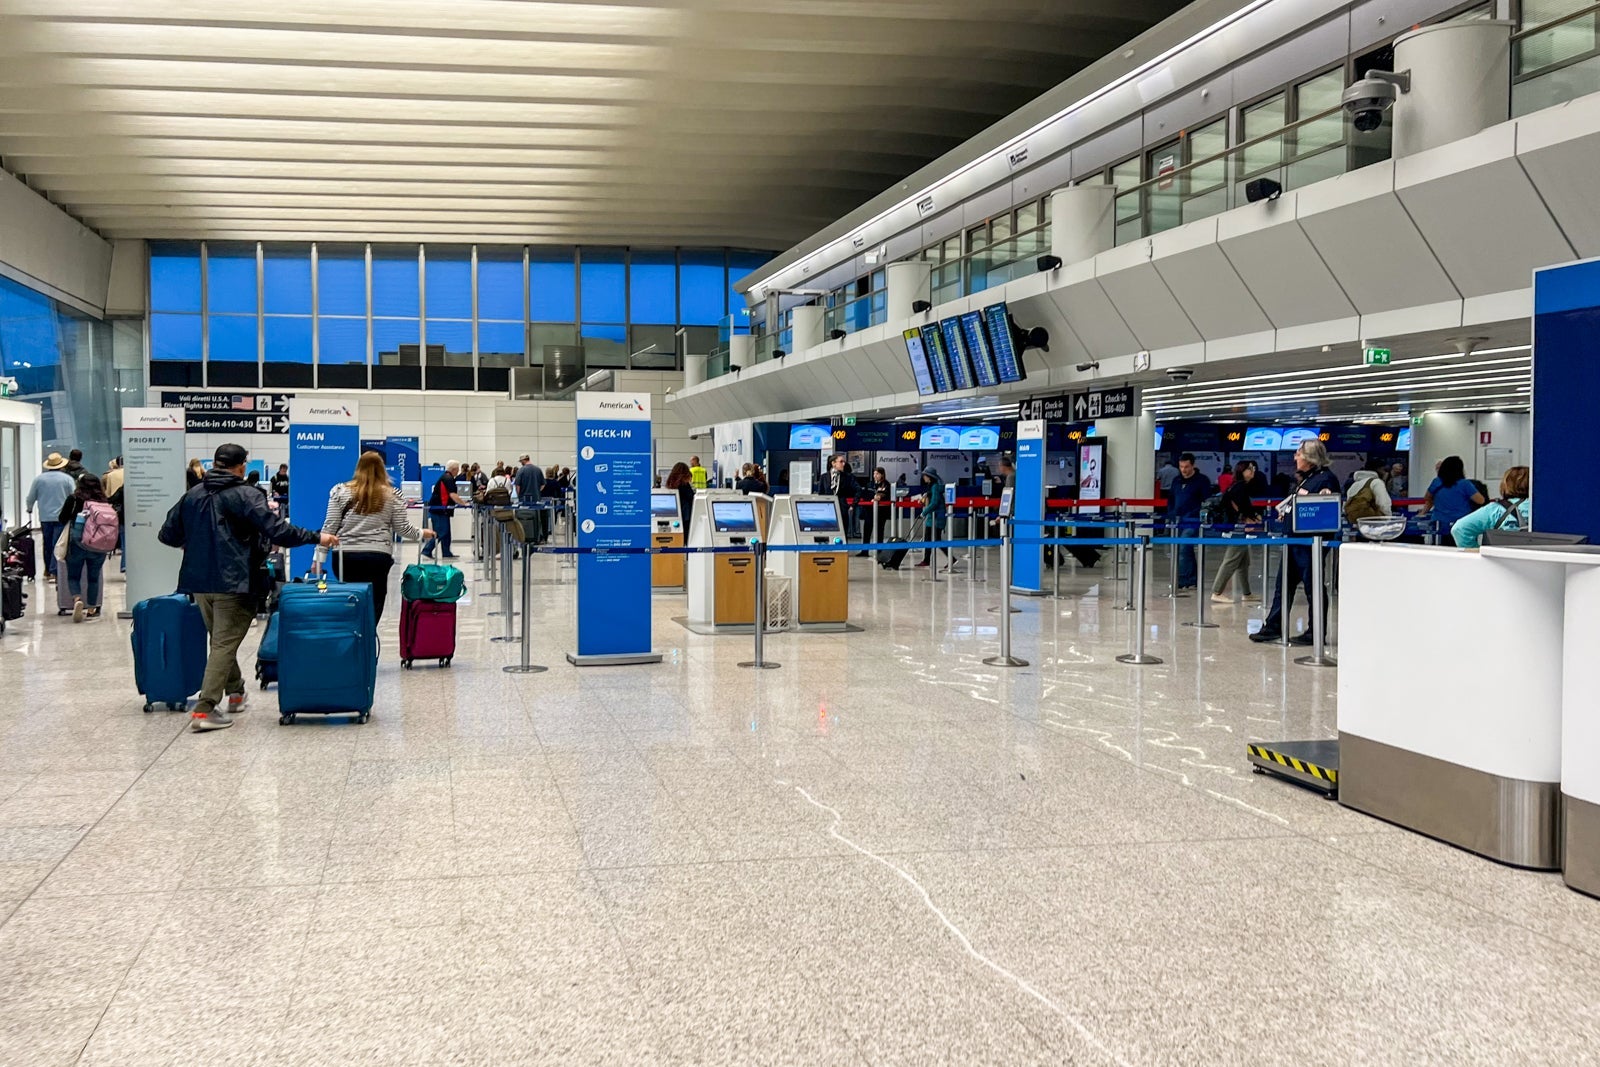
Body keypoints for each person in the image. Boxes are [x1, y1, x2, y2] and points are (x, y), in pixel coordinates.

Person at [159, 443, 336, 732]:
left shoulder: (192, 495)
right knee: (224, 643)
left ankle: (236, 692)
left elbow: (167, 534)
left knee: (220, 639)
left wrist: (196, 544)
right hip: (236, 581)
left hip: (199, 581)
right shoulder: (247, 494)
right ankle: (205, 709)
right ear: (242, 466)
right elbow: (278, 530)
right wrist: (317, 537)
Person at [312, 451, 435, 624]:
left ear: (358, 468)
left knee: (349, 598)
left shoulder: (339, 491)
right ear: (382, 469)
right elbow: (402, 528)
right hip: (378, 556)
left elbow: (329, 527)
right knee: (375, 600)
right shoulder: (393, 495)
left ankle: (351, 634)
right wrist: (422, 533)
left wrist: (318, 559)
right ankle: (369, 634)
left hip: (345, 556)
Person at [1251, 440, 1341, 645]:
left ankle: (1315, 632)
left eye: (1298, 454)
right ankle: (1273, 626)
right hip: (1294, 540)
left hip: (1310, 543)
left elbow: (1325, 511)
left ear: (1310, 458)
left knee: (1313, 587)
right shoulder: (1307, 479)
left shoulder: (1325, 480)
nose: (1295, 458)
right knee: (1283, 585)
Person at [56, 472, 113, 622]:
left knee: (73, 576)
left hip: (77, 542)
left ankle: (77, 599)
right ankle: (92, 609)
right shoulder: (103, 501)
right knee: (93, 578)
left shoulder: (74, 499)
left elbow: (62, 518)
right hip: (98, 543)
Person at [1212, 461, 1262, 603]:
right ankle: (1217, 591)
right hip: (1237, 527)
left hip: (1237, 526)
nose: (1252, 471)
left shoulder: (1238, 486)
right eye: (1250, 469)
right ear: (1242, 471)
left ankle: (1247, 593)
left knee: (1243, 563)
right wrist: (1252, 517)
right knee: (1231, 559)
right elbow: (1241, 506)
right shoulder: (1240, 487)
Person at [1451, 466, 1531, 550]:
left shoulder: (1496, 509)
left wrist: (1478, 552)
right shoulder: (1537, 508)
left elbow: (1459, 529)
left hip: (1502, 557)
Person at [24, 453, 76, 582]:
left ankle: (48, 569)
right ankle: (55, 571)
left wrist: (29, 508)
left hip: (45, 517)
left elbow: (31, 497)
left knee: (47, 543)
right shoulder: (67, 479)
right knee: (58, 543)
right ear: (61, 465)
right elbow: (74, 495)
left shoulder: (39, 480)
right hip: (62, 517)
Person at [1166, 453, 1212, 590]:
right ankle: (1191, 578)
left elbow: (1207, 501)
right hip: (1178, 520)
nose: (1183, 470)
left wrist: (1198, 514)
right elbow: (1171, 498)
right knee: (1185, 549)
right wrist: (1171, 513)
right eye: (1181, 467)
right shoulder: (1176, 481)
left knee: (1183, 545)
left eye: (1186, 467)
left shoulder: (1202, 481)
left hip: (1193, 520)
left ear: (1193, 465)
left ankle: (1182, 579)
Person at [1418, 455, 1485, 548]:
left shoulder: (1436, 482)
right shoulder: (1464, 484)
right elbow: (1480, 500)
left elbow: (1427, 497)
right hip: (1461, 524)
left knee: (1441, 548)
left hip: (1439, 524)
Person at [423, 462, 466, 558]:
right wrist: (464, 503)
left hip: (441, 510)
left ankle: (446, 552)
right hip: (440, 510)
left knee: (446, 533)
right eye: (457, 469)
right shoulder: (448, 478)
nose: (458, 471)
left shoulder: (446, 477)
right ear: (454, 469)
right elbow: (453, 494)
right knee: (441, 532)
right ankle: (427, 550)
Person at [1344, 459, 1394, 529]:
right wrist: (1388, 521)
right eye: (1383, 470)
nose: (1385, 473)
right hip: (1374, 525)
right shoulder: (1376, 482)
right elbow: (1384, 504)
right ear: (1378, 469)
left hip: (1357, 525)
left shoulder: (1354, 485)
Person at [914, 469, 947, 568]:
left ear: (929, 477)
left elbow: (934, 503)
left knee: (936, 539)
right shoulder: (932, 487)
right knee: (928, 539)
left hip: (936, 518)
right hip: (931, 518)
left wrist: (924, 513)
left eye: (925, 476)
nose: (923, 477)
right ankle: (926, 560)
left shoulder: (935, 487)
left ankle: (951, 558)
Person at [858, 467, 893, 556]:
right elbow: (864, 494)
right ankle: (865, 551)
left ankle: (879, 550)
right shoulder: (870, 484)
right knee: (867, 530)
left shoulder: (886, 485)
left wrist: (879, 497)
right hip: (869, 511)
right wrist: (871, 498)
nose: (875, 475)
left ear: (882, 475)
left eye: (877, 474)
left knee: (879, 531)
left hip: (881, 512)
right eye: (874, 473)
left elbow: (887, 495)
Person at [826, 454, 857, 540]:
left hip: (842, 508)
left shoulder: (848, 477)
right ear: (833, 463)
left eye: (844, 462)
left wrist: (853, 504)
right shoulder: (824, 477)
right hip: (828, 511)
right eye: (841, 462)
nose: (843, 464)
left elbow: (858, 490)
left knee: (843, 533)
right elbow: (821, 494)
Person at [666, 462, 695, 530]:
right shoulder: (683, 485)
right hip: (685, 516)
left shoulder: (671, 483)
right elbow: (692, 498)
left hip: (674, 513)